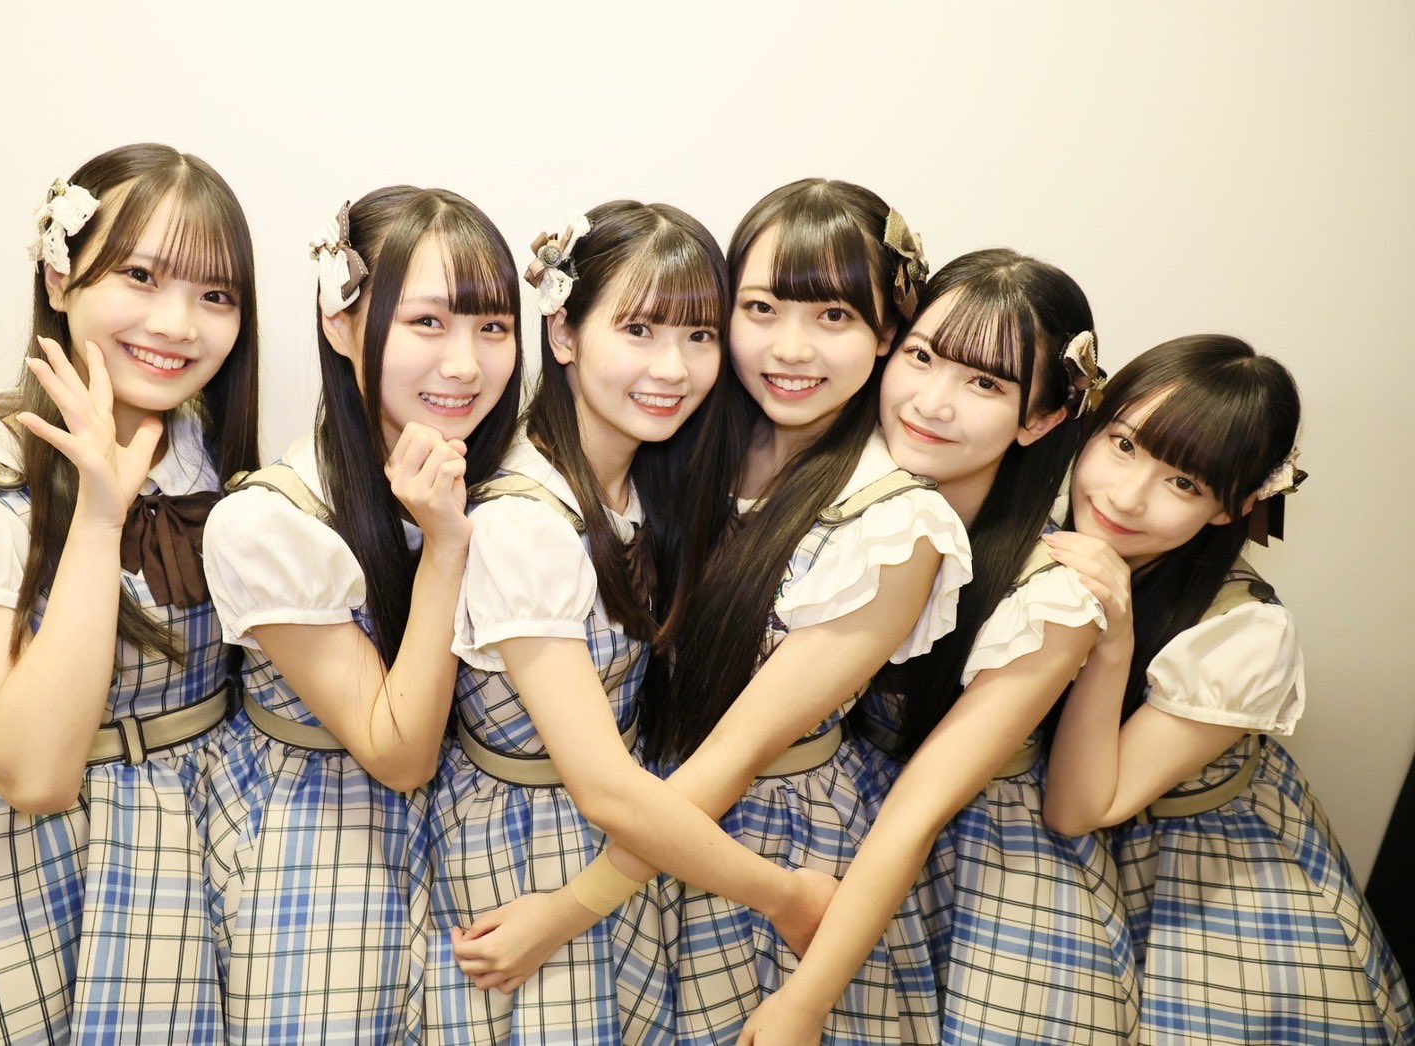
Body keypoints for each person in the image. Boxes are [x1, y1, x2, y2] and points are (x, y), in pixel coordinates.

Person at [458, 180, 969, 1045]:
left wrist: (573, 907)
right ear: (564, 332)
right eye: (762, 309)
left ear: (888, 331)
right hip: (656, 833)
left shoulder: (894, 524)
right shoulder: (686, 452)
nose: (792, 348)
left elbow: (736, 752)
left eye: (835, 317)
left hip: (779, 838)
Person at [0, 143, 260, 1044]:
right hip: (44, 878)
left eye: (215, 294)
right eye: (141, 275)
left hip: (221, 854)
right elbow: (33, 773)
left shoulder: (216, 463)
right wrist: (100, 518)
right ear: (60, 276)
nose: (177, 323)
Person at [423, 200, 834, 1044]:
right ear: (564, 334)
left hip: (636, 847)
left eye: (698, 335)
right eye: (639, 330)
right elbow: (603, 787)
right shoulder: (526, 520)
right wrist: (787, 896)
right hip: (527, 852)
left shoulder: (650, 485)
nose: (672, 368)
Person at [744, 250, 1137, 1044]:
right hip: (839, 830)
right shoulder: (845, 493)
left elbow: (916, 813)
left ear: (1040, 419)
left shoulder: (1049, 595)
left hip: (988, 873)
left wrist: (804, 1005)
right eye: (922, 357)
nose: (932, 402)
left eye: (984, 384)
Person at [201, 187, 522, 1041]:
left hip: (475, 850)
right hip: (317, 854)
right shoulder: (269, 523)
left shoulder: (514, 488)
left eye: (492, 327)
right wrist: (445, 546)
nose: (465, 364)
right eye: (428, 323)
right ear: (340, 322)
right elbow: (400, 752)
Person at [1042, 335, 1414, 1045]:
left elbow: (1079, 809)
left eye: (1184, 483)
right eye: (1124, 444)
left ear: (1229, 507)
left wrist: (1116, 642)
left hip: (1205, 886)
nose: (1127, 496)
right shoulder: (1041, 520)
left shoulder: (1244, 634)